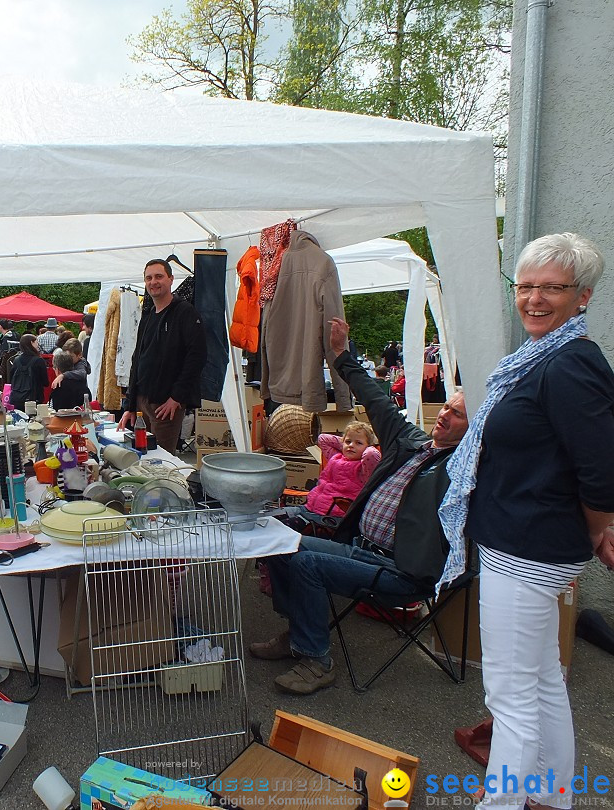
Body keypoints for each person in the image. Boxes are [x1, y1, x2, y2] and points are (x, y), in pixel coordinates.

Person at [438, 233, 614, 809]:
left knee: (510, 697)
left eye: (552, 288)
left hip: (529, 547)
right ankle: (549, 796)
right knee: (541, 684)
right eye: (527, 286)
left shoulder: (570, 365)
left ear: (582, 297)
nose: (535, 299)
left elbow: (601, 468)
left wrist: (595, 531)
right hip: (524, 541)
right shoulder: (541, 357)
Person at [248, 315, 469, 695]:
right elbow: (376, 397)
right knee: (278, 540)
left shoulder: (466, 469)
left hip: (403, 572)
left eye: (458, 414)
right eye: (446, 407)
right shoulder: (410, 441)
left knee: (306, 562)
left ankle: (317, 659)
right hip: (361, 549)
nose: (444, 415)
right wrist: (341, 354)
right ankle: (299, 632)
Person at [118, 259, 206, 454]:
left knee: (163, 460)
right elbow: (137, 360)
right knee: (141, 455)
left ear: (171, 279)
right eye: (148, 278)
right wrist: (130, 405)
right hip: (142, 401)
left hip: (166, 405)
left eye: (159, 276)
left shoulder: (185, 313)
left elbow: (197, 357)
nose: (153, 282)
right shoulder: (148, 315)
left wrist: (176, 397)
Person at [286, 422, 381, 529]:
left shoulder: (364, 470)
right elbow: (322, 438)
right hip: (310, 507)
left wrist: (369, 446)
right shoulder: (335, 457)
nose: (351, 445)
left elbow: (371, 455)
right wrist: (347, 445)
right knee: (270, 517)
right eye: (348, 441)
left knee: (280, 527)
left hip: (329, 519)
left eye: (358, 443)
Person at [8, 333, 49, 412]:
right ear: (31, 343)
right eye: (36, 342)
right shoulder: (39, 361)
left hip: (17, 398)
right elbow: (45, 382)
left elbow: (11, 379)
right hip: (34, 399)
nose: (38, 345)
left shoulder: (16, 360)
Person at [50, 338, 91, 410]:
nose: (67, 358)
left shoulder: (81, 364)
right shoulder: (75, 362)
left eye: (70, 357)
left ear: (79, 355)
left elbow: (82, 373)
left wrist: (63, 375)